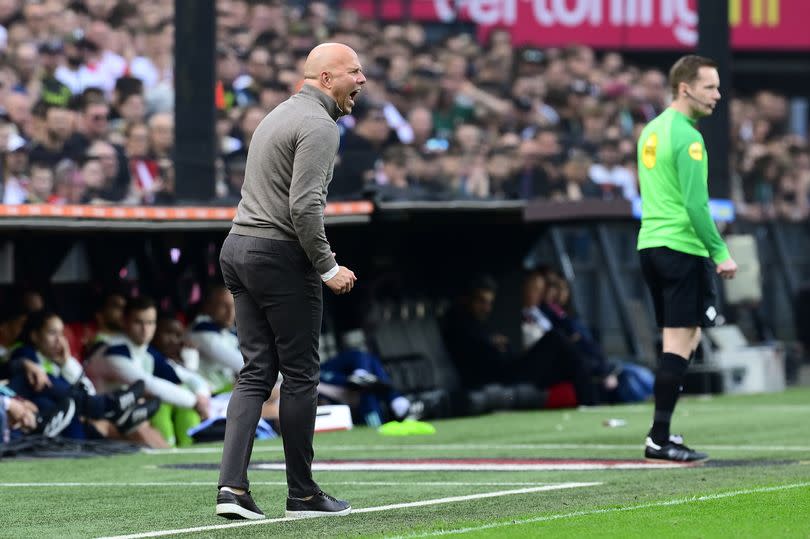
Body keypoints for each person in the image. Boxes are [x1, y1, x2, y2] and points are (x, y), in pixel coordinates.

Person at [216, 42, 362, 521]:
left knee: (256, 372)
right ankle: (302, 493)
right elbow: (303, 207)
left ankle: (232, 489)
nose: (360, 81)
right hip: (279, 254)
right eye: (353, 73)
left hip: (238, 246)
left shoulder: (277, 114)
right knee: (300, 374)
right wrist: (328, 266)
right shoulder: (319, 124)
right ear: (325, 79)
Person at [636, 55, 737, 463]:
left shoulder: (652, 130)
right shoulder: (689, 138)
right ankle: (659, 437)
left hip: (651, 244)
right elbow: (696, 206)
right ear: (685, 88)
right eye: (710, 87)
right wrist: (720, 251)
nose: (718, 95)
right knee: (681, 344)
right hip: (682, 247)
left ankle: (661, 433)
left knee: (676, 343)